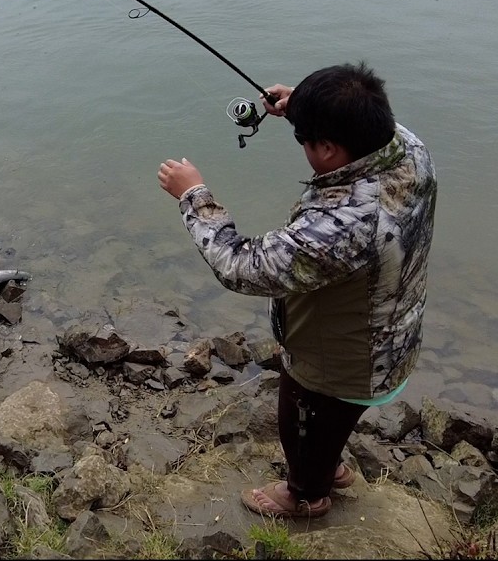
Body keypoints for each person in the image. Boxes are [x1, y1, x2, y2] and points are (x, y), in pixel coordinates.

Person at [157, 62, 437, 519]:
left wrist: (194, 196)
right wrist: (302, 107)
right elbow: (369, 126)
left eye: (306, 140)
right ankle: (328, 464)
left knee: (302, 421)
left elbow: (241, 267)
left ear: (328, 148)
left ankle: (307, 493)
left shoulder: (344, 223)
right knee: (334, 420)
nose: (303, 145)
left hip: (341, 359)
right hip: (394, 331)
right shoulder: (407, 152)